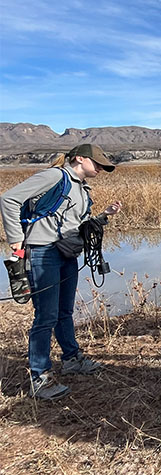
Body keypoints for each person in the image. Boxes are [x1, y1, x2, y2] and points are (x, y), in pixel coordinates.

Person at [0, 144, 122, 400]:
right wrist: (15, 239)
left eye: (103, 165)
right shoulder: (56, 176)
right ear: (79, 158)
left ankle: (71, 359)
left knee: (64, 312)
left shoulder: (81, 187)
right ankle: (40, 378)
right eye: (97, 163)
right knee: (46, 316)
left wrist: (103, 216)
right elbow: (8, 199)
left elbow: (75, 225)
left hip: (66, 253)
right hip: (44, 253)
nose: (100, 168)